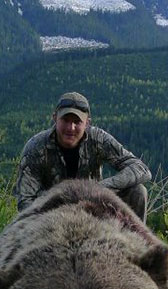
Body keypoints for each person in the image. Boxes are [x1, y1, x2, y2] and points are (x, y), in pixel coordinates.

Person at [16, 92, 151, 222]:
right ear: (55, 118)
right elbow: (25, 201)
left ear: (87, 123)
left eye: (77, 122)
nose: (71, 127)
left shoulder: (98, 139)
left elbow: (141, 169)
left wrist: (100, 188)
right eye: (65, 120)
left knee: (138, 192)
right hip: (52, 213)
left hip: (94, 206)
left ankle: (135, 243)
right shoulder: (36, 147)